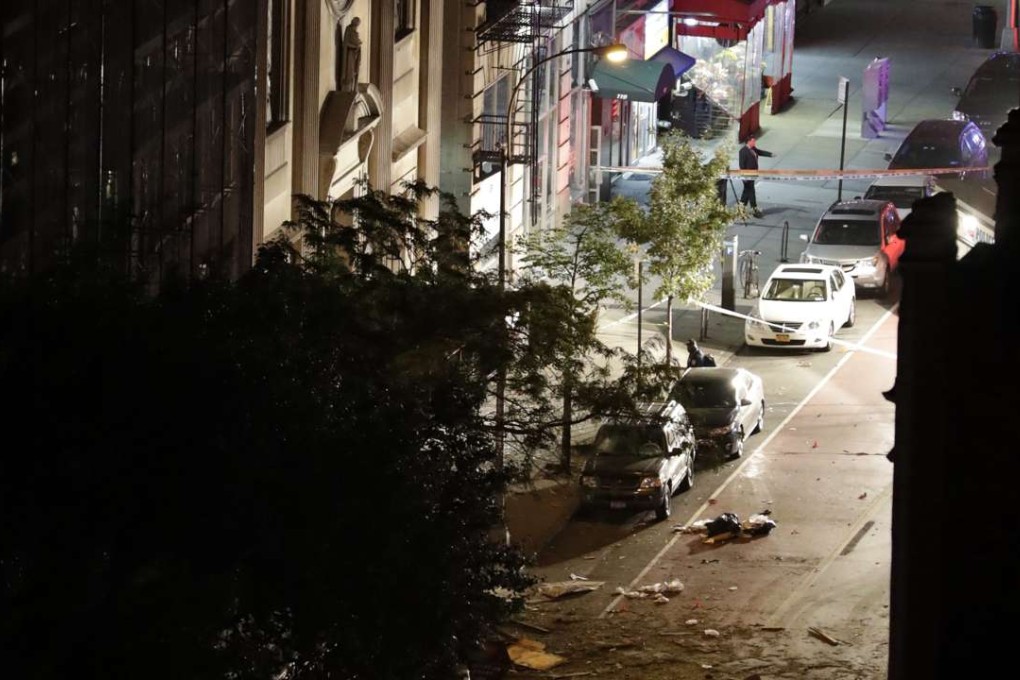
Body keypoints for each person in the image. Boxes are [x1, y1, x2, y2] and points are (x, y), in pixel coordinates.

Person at [738, 136, 773, 218]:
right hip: (747, 175)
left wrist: (770, 154)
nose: (754, 142)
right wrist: (744, 177)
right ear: (748, 141)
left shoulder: (753, 149)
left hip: (753, 174)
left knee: (746, 192)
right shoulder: (743, 151)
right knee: (751, 191)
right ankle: (754, 209)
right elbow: (742, 165)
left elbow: (760, 152)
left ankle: (741, 208)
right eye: (753, 141)